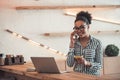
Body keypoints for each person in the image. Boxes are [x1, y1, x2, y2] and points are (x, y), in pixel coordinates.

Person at [66, 11, 103, 76]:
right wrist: (71, 45)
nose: (79, 30)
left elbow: (99, 65)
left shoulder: (97, 43)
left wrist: (87, 63)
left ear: (88, 27)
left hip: (92, 77)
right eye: (77, 28)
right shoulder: (75, 43)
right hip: (77, 77)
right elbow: (69, 64)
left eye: (82, 27)